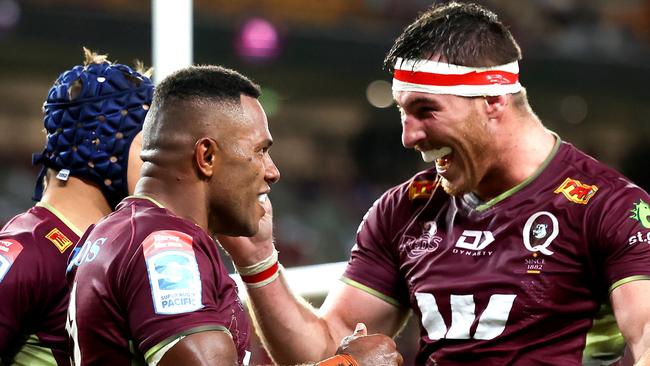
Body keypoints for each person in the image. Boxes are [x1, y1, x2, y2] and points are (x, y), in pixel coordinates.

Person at [217, 2, 650, 366]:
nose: (409, 136)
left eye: (425, 110)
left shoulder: (609, 207)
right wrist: (257, 258)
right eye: (403, 113)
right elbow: (328, 348)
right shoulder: (403, 210)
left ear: (495, 99)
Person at [65, 65, 403, 366]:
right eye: (260, 151)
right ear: (207, 156)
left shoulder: (117, 231)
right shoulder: (166, 247)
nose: (273, 172)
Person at [0, 48, 154, 365]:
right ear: (103, 143)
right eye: (148, 143)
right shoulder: (28, 251)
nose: (157, 159)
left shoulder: (114, 250)